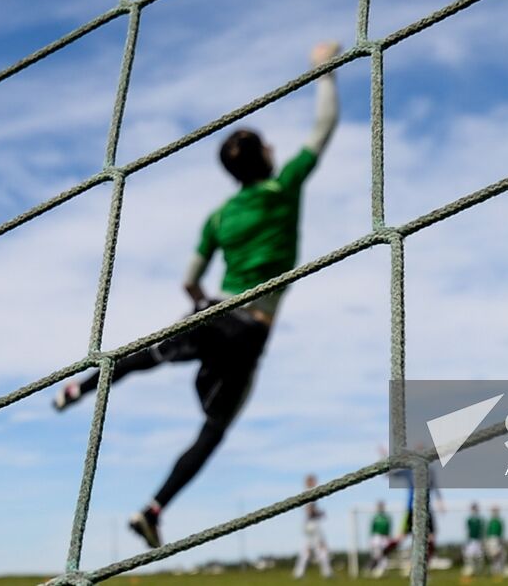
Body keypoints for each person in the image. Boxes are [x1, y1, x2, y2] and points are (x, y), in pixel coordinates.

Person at [52, 41, 342, 548]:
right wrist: (325, 71)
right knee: (212, 432)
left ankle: (81, 387)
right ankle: (154, 508)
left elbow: (189, 277)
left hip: (216, 311)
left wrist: (202, 303)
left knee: (148, 355)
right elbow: (323, 129)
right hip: (251, 330)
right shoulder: (284, 189)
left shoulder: (219, 216)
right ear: (266, 158)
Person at [294, 474, 333, 578]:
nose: (316, 483)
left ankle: (299, 573)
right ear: (310, 482)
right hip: (313, 524)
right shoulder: (310, 493)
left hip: (307, 524)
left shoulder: (306, 493)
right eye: (314, 481)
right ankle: (327, 573)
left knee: (306, 550)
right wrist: (320, 513)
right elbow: (309, 510)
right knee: (322, 548)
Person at [368, 501, 393, 578]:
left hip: (385, 537)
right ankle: (373, 567)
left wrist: (388, 538)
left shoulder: (387, 518)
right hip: (376, 537)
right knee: (377, 554)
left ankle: (380, 570)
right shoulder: (375, 517)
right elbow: (372, 529)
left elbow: (389, 528)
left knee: (384, 555)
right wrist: (371, 539)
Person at [462, 502, 486, 576]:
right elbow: (467, 530)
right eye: (473, 509)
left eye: (475, 509)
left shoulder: (480, 520)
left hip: (478, 540)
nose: (474, 510)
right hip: (471, 541)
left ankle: (479, 571)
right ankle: (469, 570)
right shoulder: (469, 520)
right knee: (469, 556)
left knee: (479, 557)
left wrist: (482, 540)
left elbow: (482, 530)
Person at [485, 505, 508, 578]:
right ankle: (494, 570)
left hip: (499, 539)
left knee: (501, 555)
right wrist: (487, 540)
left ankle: (500, 569)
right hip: (492, 539)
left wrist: (501, 539)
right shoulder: (490, 521)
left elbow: (502, 530)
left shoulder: (500, 521)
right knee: (494, 555)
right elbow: (488, 531)